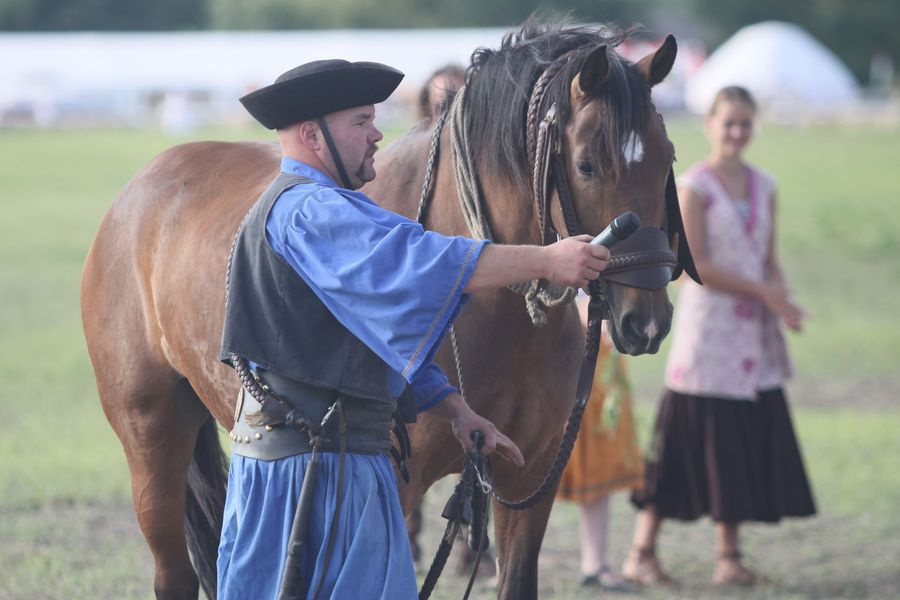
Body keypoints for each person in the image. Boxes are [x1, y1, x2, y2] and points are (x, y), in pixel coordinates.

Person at [216, 59, 612, 600]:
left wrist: (453, 408)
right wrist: (545, 261)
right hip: (304, 475)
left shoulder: (342, 208)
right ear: (312, 134)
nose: (377, 134)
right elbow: (418, 260)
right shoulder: (306, 210)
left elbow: (375, 332)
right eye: (360, 122)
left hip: (343, 462)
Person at [623, 86, 816, 587]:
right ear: (709, 123)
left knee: (738, 440)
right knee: (688, 440)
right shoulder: (694, 187)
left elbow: (768, 257)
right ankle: (642, 550)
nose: (737, 132)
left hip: (753, 334)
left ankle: (728, 555)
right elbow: (698, 264)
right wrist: (765, 294)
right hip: (709, 334)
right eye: (728, 122)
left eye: (745, 123)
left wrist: (783, 300)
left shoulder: (765, 185)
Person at [556, 296, 643, 590]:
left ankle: (595, 564)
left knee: (599, 464)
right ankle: (505, 563)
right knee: (522, 465)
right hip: (552, 352)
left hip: (600, 363)